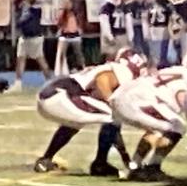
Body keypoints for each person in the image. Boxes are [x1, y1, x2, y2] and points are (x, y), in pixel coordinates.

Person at [35, 47, 145, 176]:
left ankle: (45, 160)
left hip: (50, 95)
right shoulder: (123, 71)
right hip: (61, 95)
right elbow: (102, 80)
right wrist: (126, 160)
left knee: (75, 122)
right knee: (113, 115)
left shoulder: (110, 67)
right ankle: (100, 164)